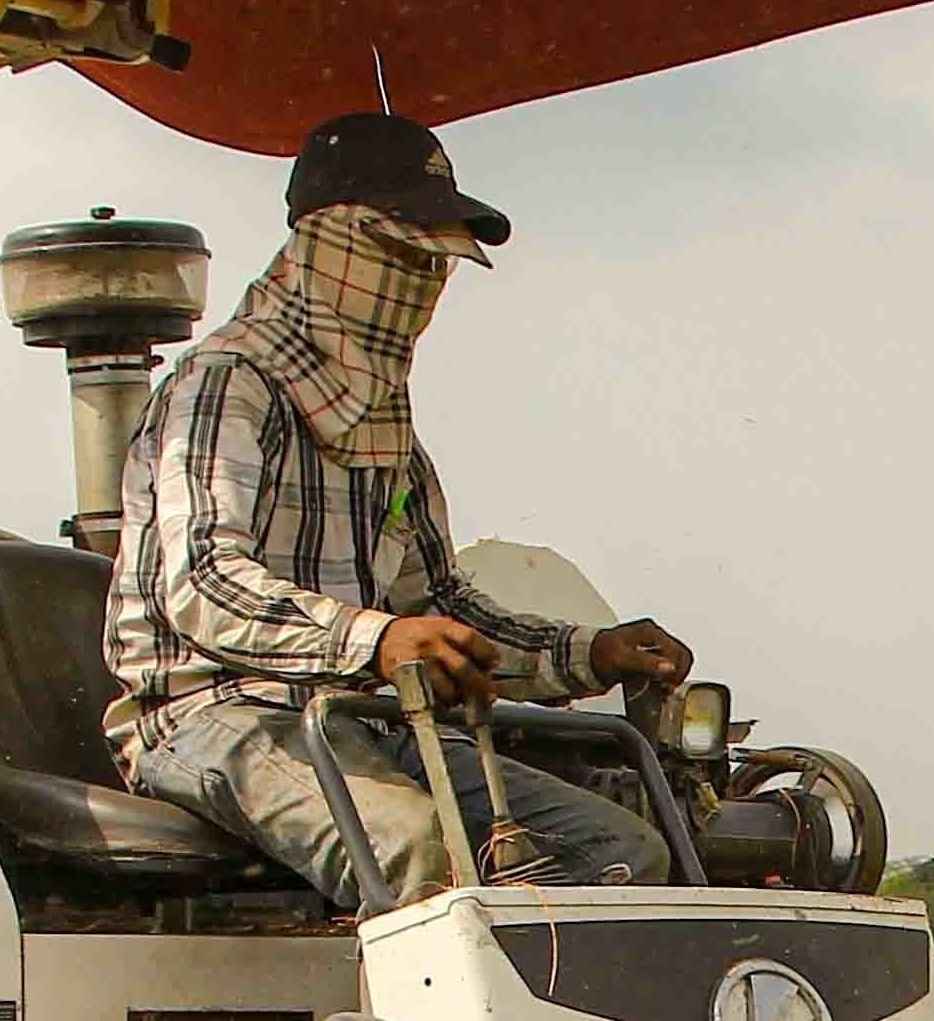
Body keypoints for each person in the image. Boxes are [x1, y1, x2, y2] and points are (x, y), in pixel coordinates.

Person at [105, 112, 701, 905]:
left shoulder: (383, 426)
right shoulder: (226, 385)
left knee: (621, 848)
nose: (422, 282)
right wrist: (375, 638)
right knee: (418, 850)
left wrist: (588, 652)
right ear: (329, 244)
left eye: (436, 261)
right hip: (214, 718)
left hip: (362, 718)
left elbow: (437, 606)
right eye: (404, 254)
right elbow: (203, 583)